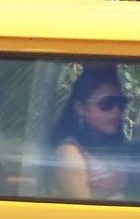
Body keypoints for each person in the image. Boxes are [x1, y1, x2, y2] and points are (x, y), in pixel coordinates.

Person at [50, 65, 131, 200]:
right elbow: (83, 209)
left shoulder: (105, 145)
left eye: (120, 103)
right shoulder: (70, 153)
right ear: (81, 108)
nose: (116, 110)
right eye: (106, 103)